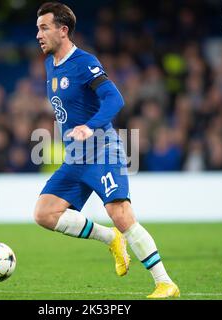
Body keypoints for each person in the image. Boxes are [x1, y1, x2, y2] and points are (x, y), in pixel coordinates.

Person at [33, 2, 179, 298]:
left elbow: (115, 100)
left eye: (44, 27)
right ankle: (110, 238)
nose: (38, 34)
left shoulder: (85, 62)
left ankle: (165, 282)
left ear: (63, 31)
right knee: (44, 213)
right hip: (76, 157)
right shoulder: (50, 63)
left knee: (120, 212)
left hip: (101, 151)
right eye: (38, 28)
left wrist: (90, 126)